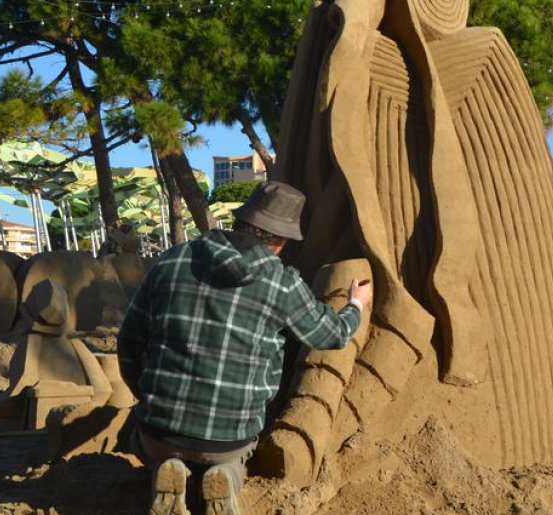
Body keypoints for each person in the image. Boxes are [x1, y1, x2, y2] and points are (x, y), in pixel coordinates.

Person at [118, 181, 374, 515]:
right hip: (230, 434)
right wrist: (355, 305)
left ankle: (167, 469)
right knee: (237, 457)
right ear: (280, 242)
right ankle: (226, 476)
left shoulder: (173, 260)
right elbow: (332, 335)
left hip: (159, 430)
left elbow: (129, 342)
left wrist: (147, 393)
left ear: (238, 222)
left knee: (150, 442)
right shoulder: (281, 282)